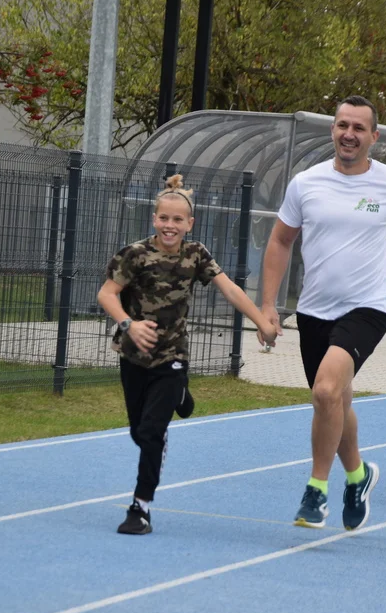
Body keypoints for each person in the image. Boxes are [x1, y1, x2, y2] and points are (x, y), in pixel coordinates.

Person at [260, 95, 386, 530]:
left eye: (358, 128)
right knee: (337, 401)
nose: (349, 134)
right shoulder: (306, 183)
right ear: (333, 130)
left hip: (367, 307)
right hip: (313, 311)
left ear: (374, 137)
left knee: (326, 392)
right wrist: (268, 305)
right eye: (342, 125)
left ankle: (316, 490)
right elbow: (280, 241)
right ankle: (358, 475)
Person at [98, 174, 280, 535]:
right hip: (134, 355)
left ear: (189, 224)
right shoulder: (134, 254)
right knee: (139, 431)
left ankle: (140, 507)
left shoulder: (195, 254)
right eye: (164, 218)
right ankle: (179, 399)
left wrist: (261, 320)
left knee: (152, 432)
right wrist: (128, 325)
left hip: (173, 357)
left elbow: (229, 288)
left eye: (177, 220)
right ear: (154, 219)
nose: (170, 226)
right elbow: (107, 294)